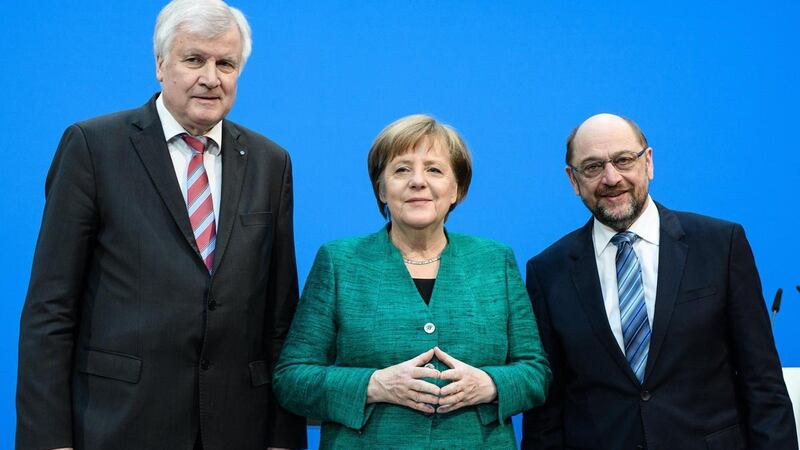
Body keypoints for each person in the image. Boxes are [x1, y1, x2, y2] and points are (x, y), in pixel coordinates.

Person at [16, 1, 306, 449]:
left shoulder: (271, 163)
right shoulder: (94, 148)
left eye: (225, 63)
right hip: (118, 425)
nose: (211, 77)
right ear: (160, 64)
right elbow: (50, 311)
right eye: (194, 59)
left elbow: (279, 320)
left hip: (237, 429)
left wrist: (283, 441)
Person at [273, 114, 551, 448]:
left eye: (434, 169)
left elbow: (535, 372)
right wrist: (374, 385)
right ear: (381, 188)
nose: (417, 181)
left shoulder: (495, 261)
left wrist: (490, 384)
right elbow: (291, 379)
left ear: (457, 189)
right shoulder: (339, 262)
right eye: (402, 169)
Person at [522, 113, 797, 449]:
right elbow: (547, 410)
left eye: (624, 160)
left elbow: (763, 383)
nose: (611, 178)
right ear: (573, 180)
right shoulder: (548, 271)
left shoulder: (720, 245)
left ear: (648, 162)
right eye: (593, 167)